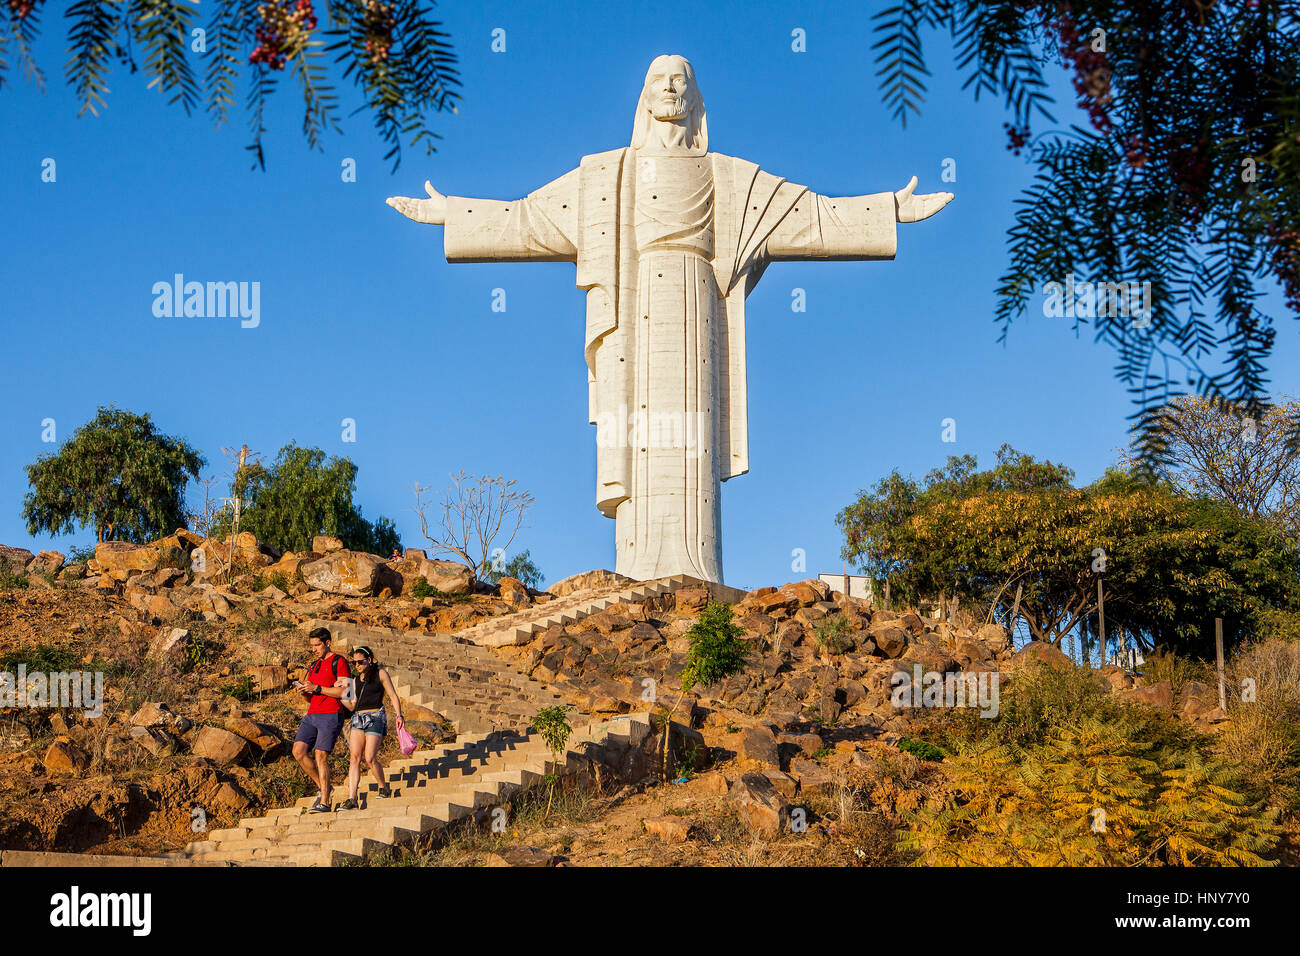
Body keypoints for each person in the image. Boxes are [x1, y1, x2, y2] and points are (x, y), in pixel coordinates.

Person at [336, 645, 404, 811]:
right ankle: (352, 798)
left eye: (361, 662)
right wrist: (342, 692)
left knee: (370, 757)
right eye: (355, 663)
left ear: (369, 660)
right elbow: (351, 706)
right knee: (354, 758)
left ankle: (383, 786)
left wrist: (399, 714)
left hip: (375, 717)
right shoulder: (354, 680)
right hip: (358, 718)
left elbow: (392, 695)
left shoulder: (380, 674)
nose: (357, 665)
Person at [292, 627, 351, 813]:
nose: (314, 649)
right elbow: (311, 696)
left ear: (328, 643)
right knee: (298, 751)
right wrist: (304, 691)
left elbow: (345, 692)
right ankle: (324, 787)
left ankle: (325, 801)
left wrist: (317, 688)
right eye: (312, 645)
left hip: (331, 713)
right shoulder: (314, 665)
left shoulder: (339, 661)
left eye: (317, 645)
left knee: (320, 755)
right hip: (312, 713)